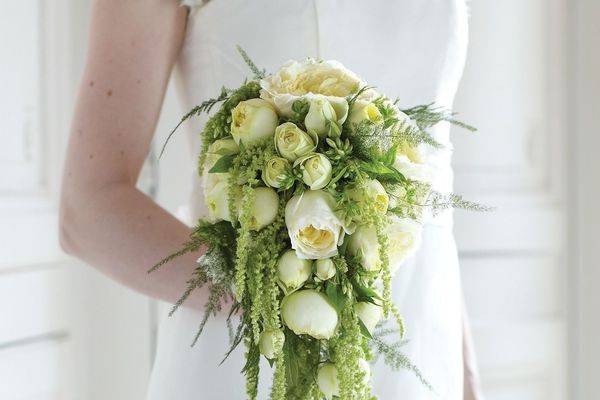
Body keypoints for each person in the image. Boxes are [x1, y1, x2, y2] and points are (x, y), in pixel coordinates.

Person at [60, 1, 483, 398]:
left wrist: (465, 375)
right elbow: (88, 207)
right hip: (252, 351)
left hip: (423, 346)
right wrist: (263, 292)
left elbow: (432, 198)